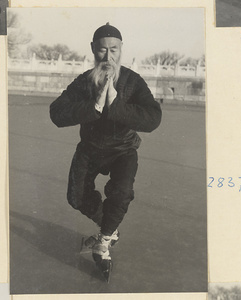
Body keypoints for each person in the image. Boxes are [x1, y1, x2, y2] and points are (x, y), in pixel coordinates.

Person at [49, 23, 162, 282]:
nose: (108, 57)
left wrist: (115, 104)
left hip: (123, 149)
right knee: (76, 197)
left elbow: (153, 118)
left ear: (121, 50)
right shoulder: (84, 81)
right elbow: (57, 112)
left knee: (121, 193)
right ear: (93, 49)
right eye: (102, 50)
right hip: (90, 148)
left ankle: (103, 242)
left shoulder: (133, 81)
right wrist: (95, 105)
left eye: (114, 50)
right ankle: (110, 230)